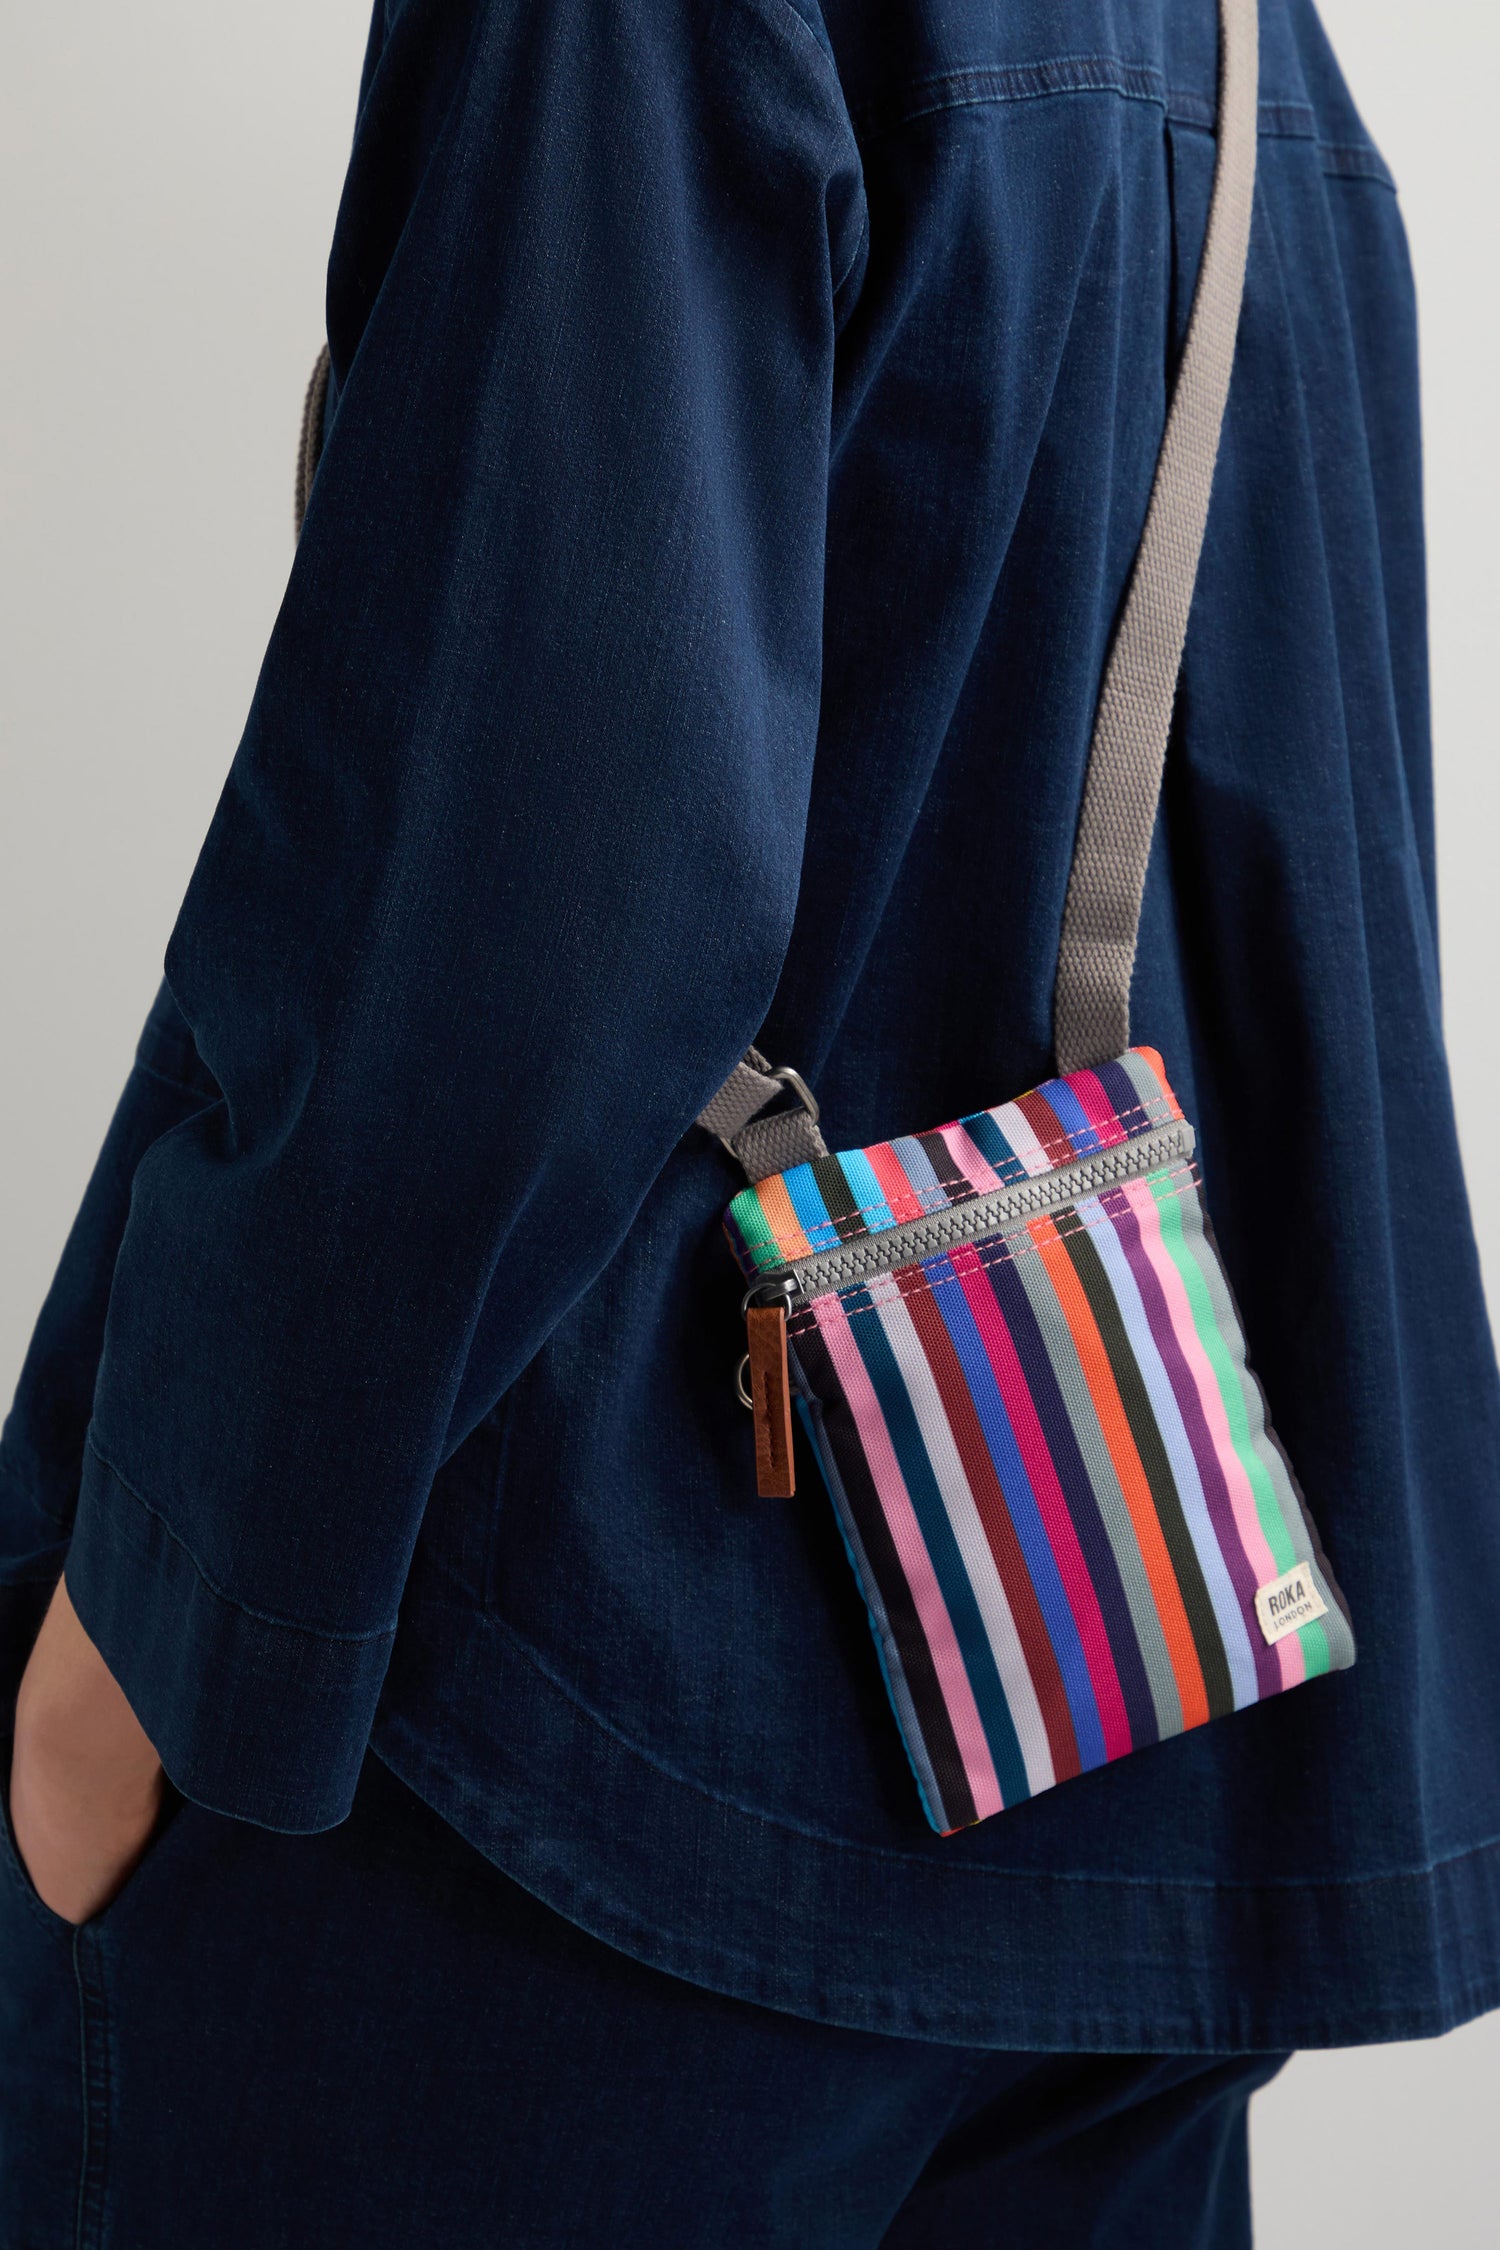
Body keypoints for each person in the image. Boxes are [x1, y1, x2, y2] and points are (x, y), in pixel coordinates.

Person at [3, 0, 1498, 2241]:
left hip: (552, 1783)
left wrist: (145, 1665)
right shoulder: (1253, 43)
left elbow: (523, 844)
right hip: (1126, 1761)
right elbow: (1310, 842)